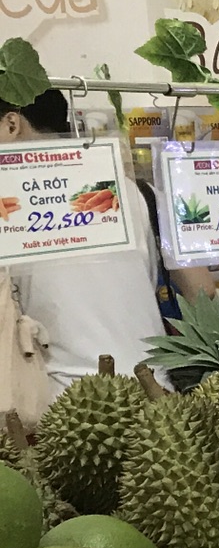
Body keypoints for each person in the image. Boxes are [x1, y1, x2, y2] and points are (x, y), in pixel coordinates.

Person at [0, 87, 172, 391]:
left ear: (12, 125)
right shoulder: (134, 192)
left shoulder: (9, 205)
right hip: (154, 392)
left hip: (69, 409)